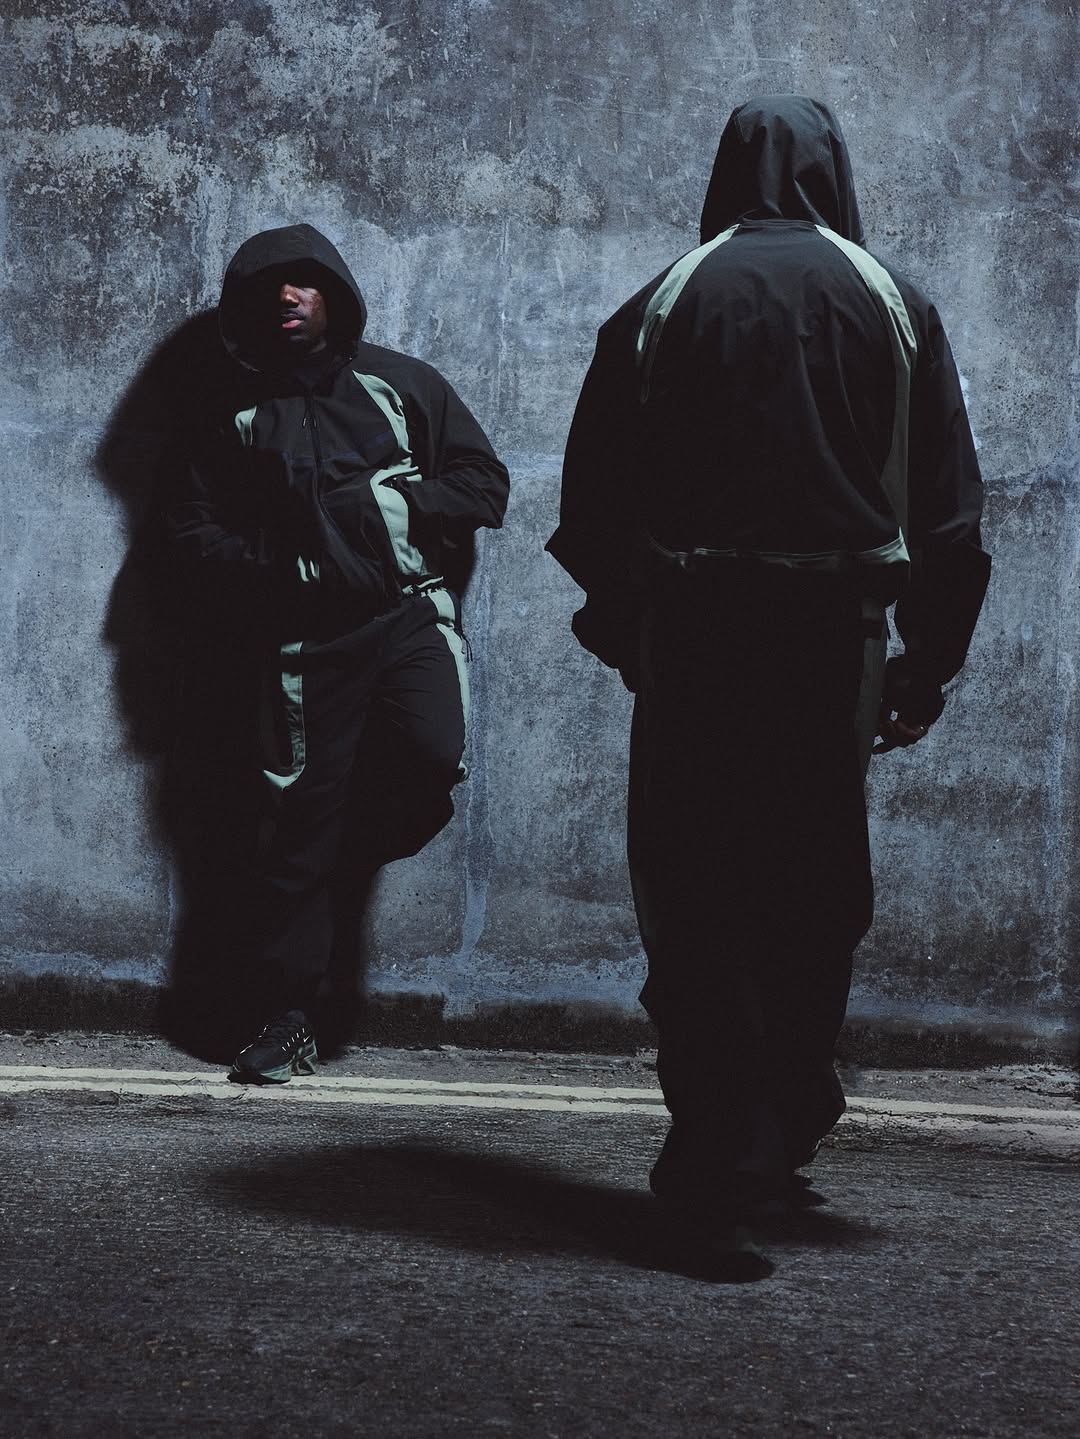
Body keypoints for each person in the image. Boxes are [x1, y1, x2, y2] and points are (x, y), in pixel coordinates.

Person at [546, 96, 989, 1273]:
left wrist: (629, 631)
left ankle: (717, 1162)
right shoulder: (892, 300)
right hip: (831, 639)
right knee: (813, 887)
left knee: (696, 894)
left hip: (696, 635)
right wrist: (926, 664)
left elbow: (593, 499)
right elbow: (947, 507)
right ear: (835, 170)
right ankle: (781, 1126)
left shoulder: (665, 298)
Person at [168, 223, 509, 1082]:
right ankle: (290, 1016)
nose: (288, 298)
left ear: (335, 295)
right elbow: (191, 530)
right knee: (296, 832)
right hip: (304, 640)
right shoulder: (233, 411)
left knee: (433, 753)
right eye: (268, 289)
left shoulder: (402, 383)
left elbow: (484, 482)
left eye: (304, 283)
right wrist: (275, 566)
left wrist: (396, 511)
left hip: (407, 616)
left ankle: (336, 845)